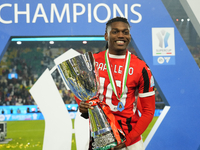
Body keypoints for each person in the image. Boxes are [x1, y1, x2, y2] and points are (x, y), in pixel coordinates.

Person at [75, 17, 155, 150]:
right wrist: (83, 108)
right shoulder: (92, 62)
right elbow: (81, 96)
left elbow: (148, 111)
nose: (121, 35)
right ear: (106, 35)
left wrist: (128, 141)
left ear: (129, 36)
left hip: (130, 139)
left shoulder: (141, 68)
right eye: (115, 31)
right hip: (100, 137)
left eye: (125, 32)